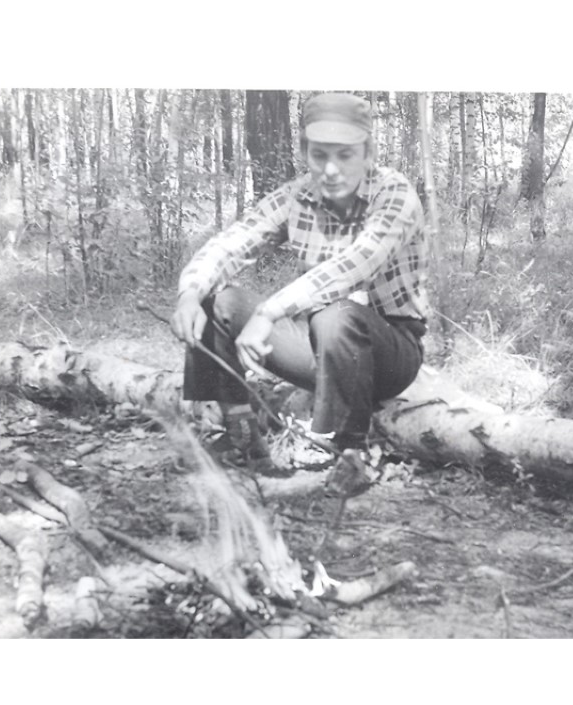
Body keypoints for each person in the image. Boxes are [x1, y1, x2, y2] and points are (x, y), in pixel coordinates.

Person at [170, 92, 430, 497]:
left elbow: (356, 265)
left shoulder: (395, 194)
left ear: (368, 153)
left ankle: (351, 452)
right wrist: (189, 293)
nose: (331, 169)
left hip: (390, 352)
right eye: (319, 155)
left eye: (345, 155)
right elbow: (231, 243)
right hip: (321, 349)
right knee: (219, 301)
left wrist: (269, 312)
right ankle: (240, 433)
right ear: (305, 152)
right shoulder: (298, 195)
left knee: (337, 314)